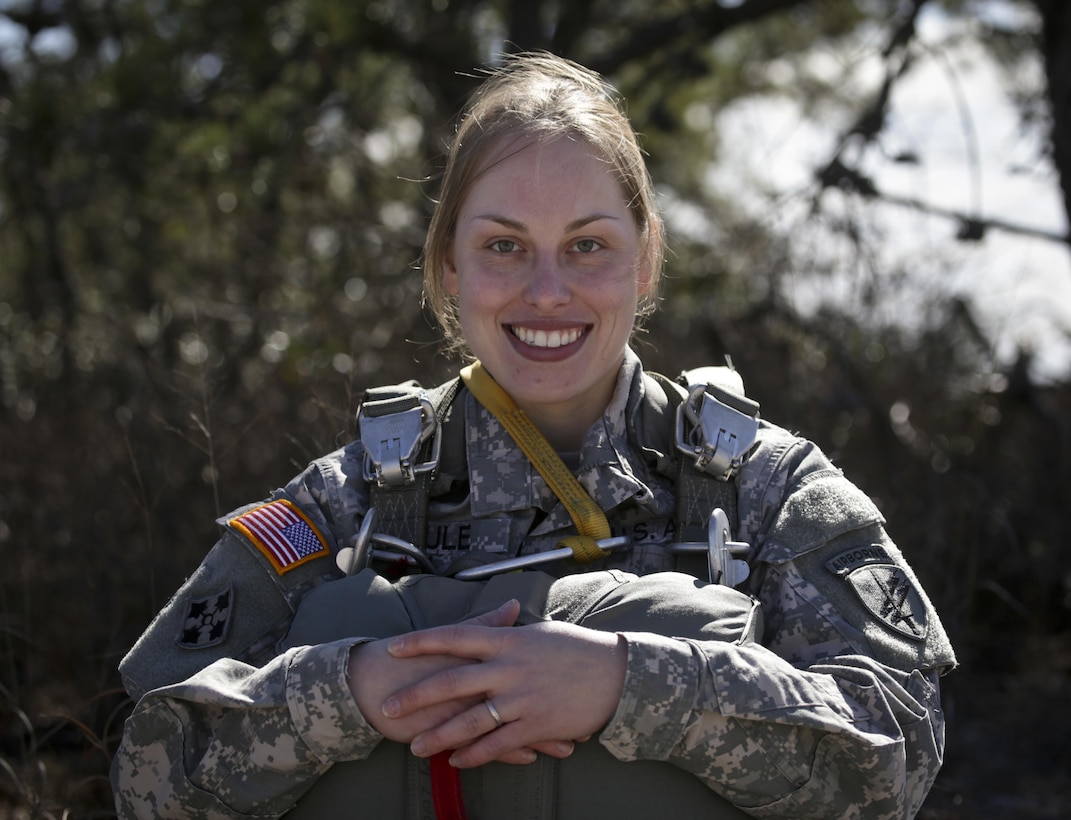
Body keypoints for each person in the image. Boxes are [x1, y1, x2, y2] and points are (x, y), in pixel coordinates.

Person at [111, 52, 956, 819]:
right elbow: (148, 778)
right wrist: (348, 692)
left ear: (645, 260)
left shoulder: (765, 491)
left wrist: (633, 685)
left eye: (587, 244)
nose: (546, 291)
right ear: (448, 267)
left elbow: (899, 755)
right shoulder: (353, 502)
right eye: (503, 246)